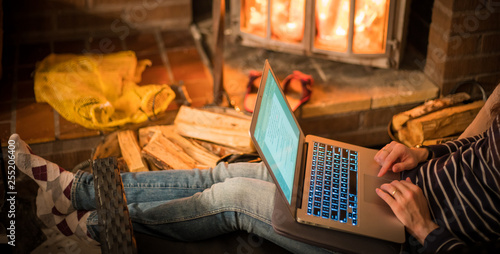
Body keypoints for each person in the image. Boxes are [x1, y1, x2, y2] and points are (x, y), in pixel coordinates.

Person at [13, 83, 500, 253]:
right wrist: (429, 152)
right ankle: (73, 190)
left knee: (233, 200)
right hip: (395, 186)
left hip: (405, 238)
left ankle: (90, 225)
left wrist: (427, 229)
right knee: (227, 173)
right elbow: (478, 144)